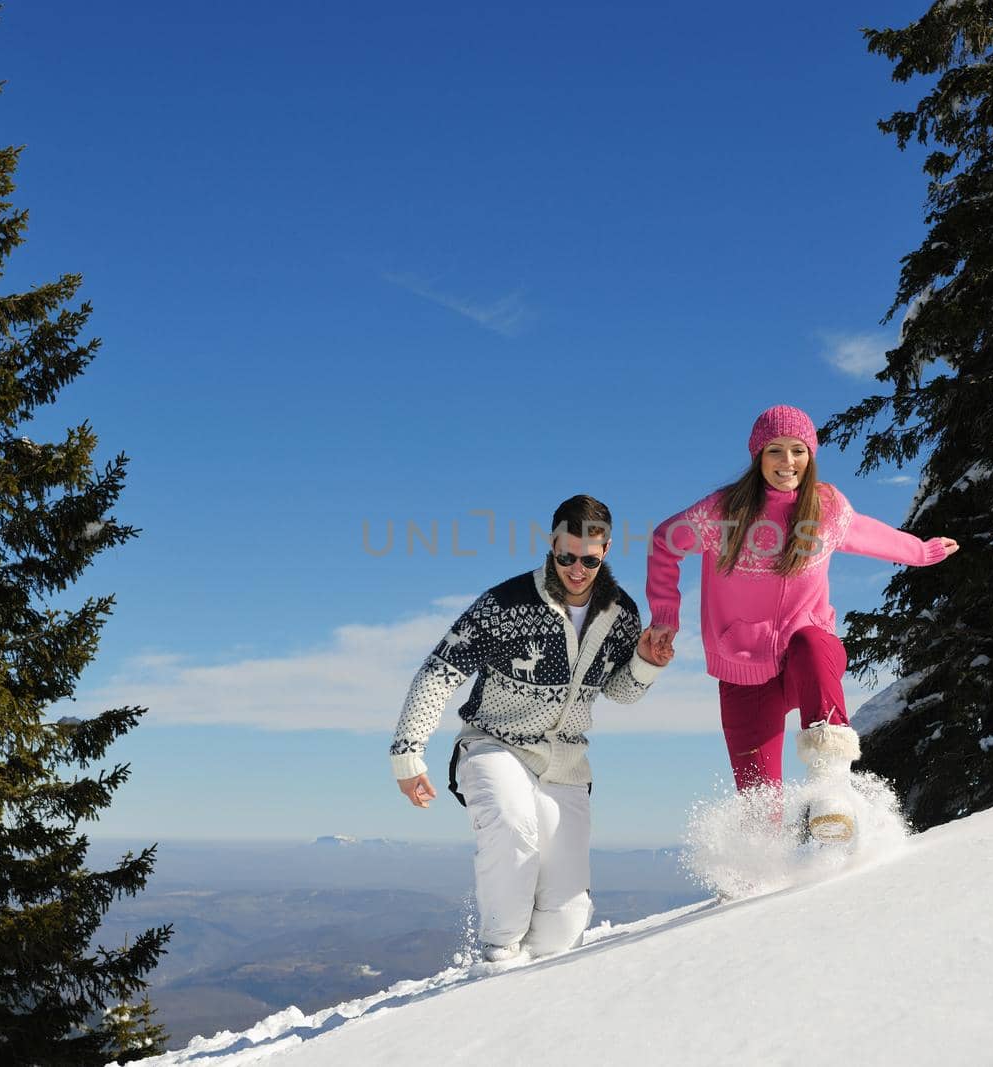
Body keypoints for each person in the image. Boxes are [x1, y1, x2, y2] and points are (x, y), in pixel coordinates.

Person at [646, 405, 958, 842]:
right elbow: (664, 542)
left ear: (810, 455)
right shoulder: (722, 514)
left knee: (814, 643)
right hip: (742, 671)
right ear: (758, 455)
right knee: (759, 815)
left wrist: (922, 552)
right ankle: (762, 878)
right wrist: (665, 617)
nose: (787, 462)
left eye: (797, 450)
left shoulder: (826, 508)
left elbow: (871, 534)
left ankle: (832, 791)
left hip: (804, 658)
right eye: (775, 450)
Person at [391, 494, 672, 961]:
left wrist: (645, 662)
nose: (577, 569)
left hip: (566, 764)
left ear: (606, 551)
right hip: (493, 744)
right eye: (566, 557)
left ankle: (533, 995)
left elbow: (620, 692)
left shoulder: (621, 613)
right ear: (552, 544)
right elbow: (440, 671)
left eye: (589, 559)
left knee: (564, 921)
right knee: (513, 827)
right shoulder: (506, 603)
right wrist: (407, 754)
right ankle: (498, 957)